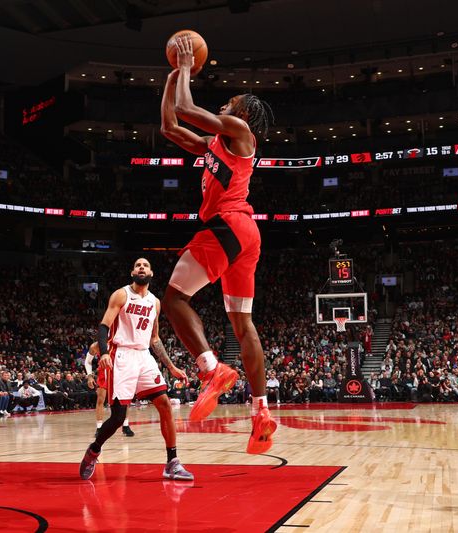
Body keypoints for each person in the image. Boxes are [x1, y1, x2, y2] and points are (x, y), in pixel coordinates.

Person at [159, 35, 276, 454]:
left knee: (173, 299)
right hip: (245, 236)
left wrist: (187, 68)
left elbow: (190, 110)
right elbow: (170, 125)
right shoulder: (213, 145)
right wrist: (174, 76)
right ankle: (261, 411)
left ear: (243, 113)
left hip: (229, 224)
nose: (225, 104)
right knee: (242, 325)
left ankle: (211, 369)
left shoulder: (241, 131)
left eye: (230, 101)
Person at [79, 258, 193, 481]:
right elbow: (104, 326)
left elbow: (154, 339)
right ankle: (93, 450)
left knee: (165, 404)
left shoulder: (155, 302)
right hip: (121, 355)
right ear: (132, 272)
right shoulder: (121, 295)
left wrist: (171, 367)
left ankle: (172, 462)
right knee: (118, 417)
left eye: (146, 265)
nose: (141, 267)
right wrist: (103, 353)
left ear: (151, 272)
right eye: (138, 265)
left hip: (144, 356)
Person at [85, 341, 134, 438]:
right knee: (100, 400)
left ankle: (125, 425)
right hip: (104, 372)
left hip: (120, 372)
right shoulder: (96, 345)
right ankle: (99, 428)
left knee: (125, 400)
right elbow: (87, 361)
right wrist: (90, 376)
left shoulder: (121, 342)